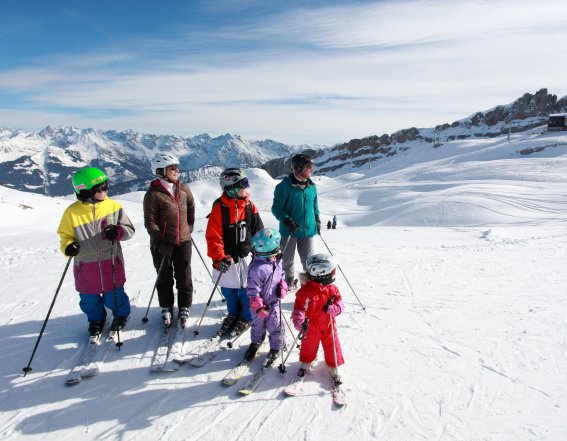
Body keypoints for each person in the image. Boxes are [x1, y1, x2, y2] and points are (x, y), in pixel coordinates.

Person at [57, 167, 135, 336]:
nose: (106, 189)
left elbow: (129, 229)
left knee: (114, 295)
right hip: (86, 266)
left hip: (111, 262)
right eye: (101, 187)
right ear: (86, 191)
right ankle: (96, 319)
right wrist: (68, 246)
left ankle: (121, 315)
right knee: (89, 299)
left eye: (106, 184)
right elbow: (65, 236)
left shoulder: (113, 206)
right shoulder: (72, 213)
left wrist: (118, 231)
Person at [206, 168, 264, 336]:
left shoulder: (249, 206)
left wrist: (262, 254)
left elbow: (258, 231)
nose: (247, 187)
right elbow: (213, 236)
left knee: (246, 289)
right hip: (226, 258)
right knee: (228, 290)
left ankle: (245, 316)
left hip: (245, 256)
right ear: (231, 188)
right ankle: (233, 313)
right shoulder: (219, 207)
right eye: (243, 184)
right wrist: (218, 258)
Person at [143, 152, 195, 328]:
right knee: (164, 277)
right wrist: (159, 241)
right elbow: (150, 222)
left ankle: (184, 306)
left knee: (184, 276)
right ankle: (166, 306)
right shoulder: (152, 194)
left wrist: (189, 227)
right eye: (172, 168)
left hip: (184, 241)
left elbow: (191, 207)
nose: (176, 170)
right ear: (161, 170)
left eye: (176, 167)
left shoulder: (183, 188)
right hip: (162, 244)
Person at [291, 253, 344, 385]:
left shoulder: (332, 289)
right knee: (308, 346)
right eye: (332, 272)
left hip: (328, 326)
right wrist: (299, 321)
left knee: (332, 346)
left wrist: (334, 308)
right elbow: (299, 309)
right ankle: (306, 363)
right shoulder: (305, 292)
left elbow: (340, 304)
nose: (334, 274)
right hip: (311, 327)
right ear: (323, 273)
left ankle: (334, 365)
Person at [271, 154, 320, 289]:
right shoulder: (283, 187)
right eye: (309, 167)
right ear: (299, 169)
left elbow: (314, 206)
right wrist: (286, 220)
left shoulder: (312, 186)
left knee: (309, 260)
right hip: (289, 230)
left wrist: (317, 219)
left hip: (307, 230)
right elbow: (276, 208)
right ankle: (288, 283)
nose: (312, 170)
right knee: (287, 260)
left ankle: (308, 285)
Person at [245, 228, 288, 362]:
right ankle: (256, 342)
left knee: (276, 326)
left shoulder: (278, 261)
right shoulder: (257, 269)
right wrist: (258, 307)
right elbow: (252, 291)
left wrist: (283, 287)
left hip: (274, 303)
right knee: (257, 326)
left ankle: (276, 347)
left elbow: (282, 276)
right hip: (259, 307)